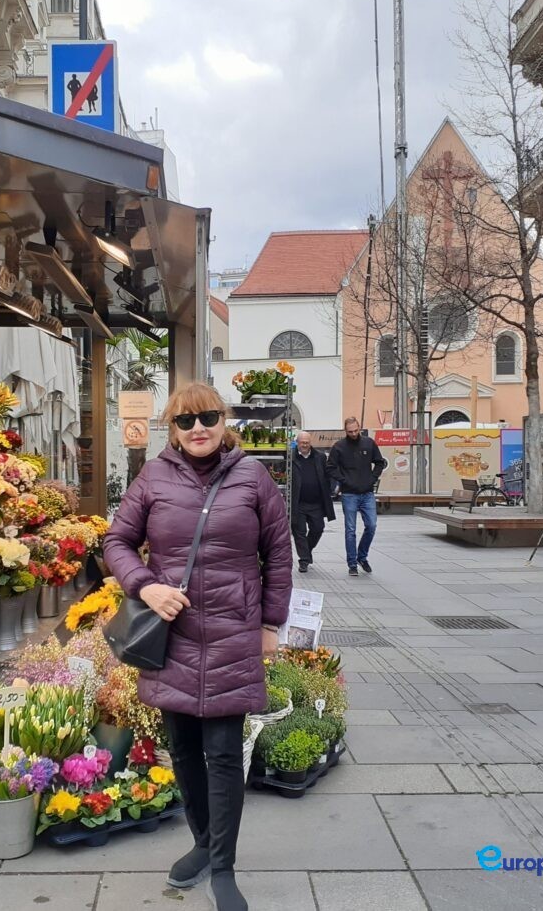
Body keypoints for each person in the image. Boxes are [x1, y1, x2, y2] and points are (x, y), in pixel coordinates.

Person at [103, 382, 292, 911]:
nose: (198, 429)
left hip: (234, 631)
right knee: (184, 749)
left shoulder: (253, 478)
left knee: (225, 753)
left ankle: (223, 866)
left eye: (207, 417)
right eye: (186, 421)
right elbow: (116, 540)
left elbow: (279, 554)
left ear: (223, 419)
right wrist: (146, 585)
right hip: (174, 634)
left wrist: (271, 625)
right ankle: (204, 843)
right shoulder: (154, 477)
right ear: (174, 429)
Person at [326, 416, 386, 576]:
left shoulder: (368, 443)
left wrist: (372, 479)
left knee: (371, 526)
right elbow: (330, 467)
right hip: (349, 493)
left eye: (355, 430)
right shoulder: (339, 447)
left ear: (359, 428)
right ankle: (352, 563)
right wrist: (344, 480)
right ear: (345, 431)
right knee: (350, 530)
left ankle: (362, 556)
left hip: (367, 492)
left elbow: (380, 462)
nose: (353, 434)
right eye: (350, 431)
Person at [290, 430, 335, 573]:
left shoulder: (320, 457)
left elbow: (327, 475)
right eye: (302, 442)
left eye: (307, 442)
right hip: (298, 502)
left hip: (316, 503)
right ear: (297, 442)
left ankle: (307, 552)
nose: (304, 445)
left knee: (318, 528)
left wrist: (330, 489)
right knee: (299, 532)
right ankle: (304, 560)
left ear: (311, 443)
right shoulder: (290, 458)